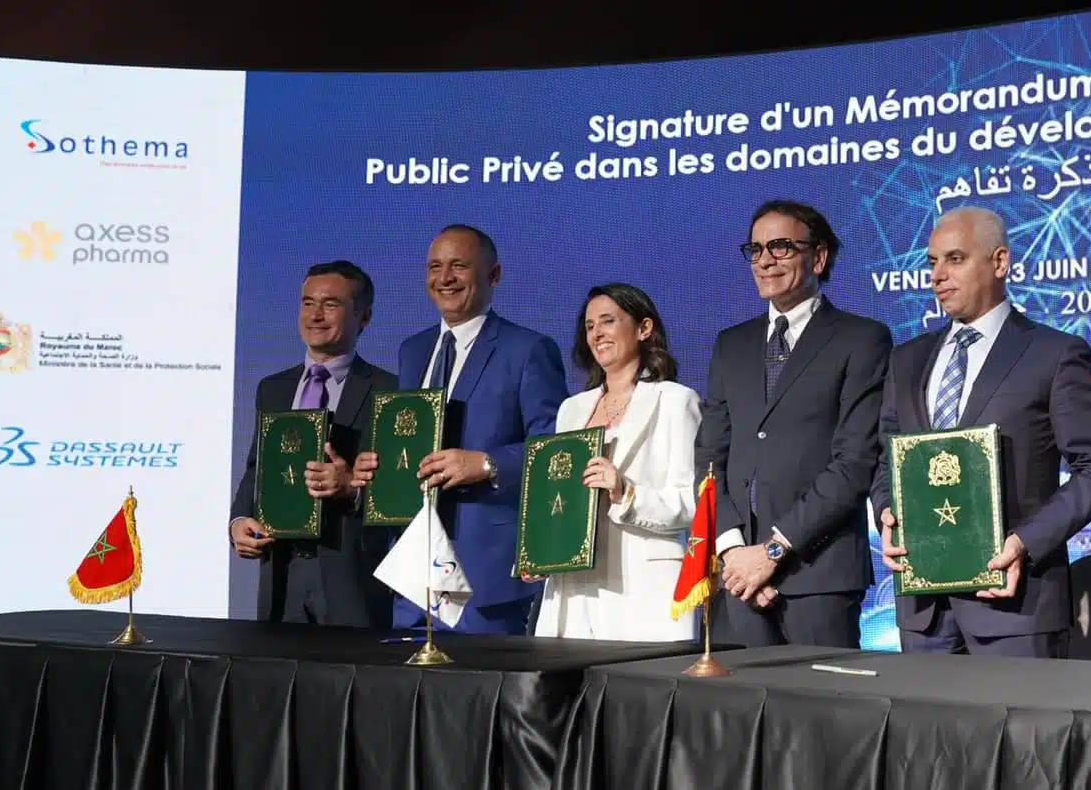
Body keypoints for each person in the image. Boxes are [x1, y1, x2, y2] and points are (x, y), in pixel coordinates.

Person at [874, 207, 1091, 656]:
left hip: (1017, 605)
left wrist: (1026, 542)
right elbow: (887, 459)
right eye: (932, 262)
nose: (938, 275)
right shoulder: (906, 360)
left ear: (1000, 262)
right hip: (923, 613)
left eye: (955, 259)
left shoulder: (1054, 354)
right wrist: (888, 511)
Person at [694, 200, 892, 648]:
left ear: (818, 257)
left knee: (819, 694)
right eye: (756, 249)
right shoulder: (731, 345)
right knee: (739, 695)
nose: (765, 260)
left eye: (780, 246)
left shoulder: (862, 339)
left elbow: (855, 461)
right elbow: (709, 457)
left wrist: (773, 552)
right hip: (738, 578)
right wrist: (733, 551)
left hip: (818, 573)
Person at [352, 225, 566, 635]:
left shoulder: (527, 350)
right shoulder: (413, 350)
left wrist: (486, 463)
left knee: (480, 678)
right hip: (413, 568)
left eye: (459, 266)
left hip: (484, 572)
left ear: (493, 275)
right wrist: (376, 467)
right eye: (435, 267)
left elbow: (555, 448)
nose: (445, 278)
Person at [228, 260, 399, 627]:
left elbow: (401, 490)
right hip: (280, 572)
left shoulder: (389, 390)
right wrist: (239, 520)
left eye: (330, 304)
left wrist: (352, 487)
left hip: (351, 578)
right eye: (308, 303)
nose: (315, 315)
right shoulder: (272, 388)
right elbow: (257, 469)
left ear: (364, 317)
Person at [531, 284, 700, 642]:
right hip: (573, 586)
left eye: (608, 321)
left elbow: (692, 503)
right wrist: (540, 549)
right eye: (590, 326)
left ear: (644, 329)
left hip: (643, 585)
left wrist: (627, 492)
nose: (597, 334)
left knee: (636, 678)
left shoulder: (676, 401)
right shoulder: (572, 409)